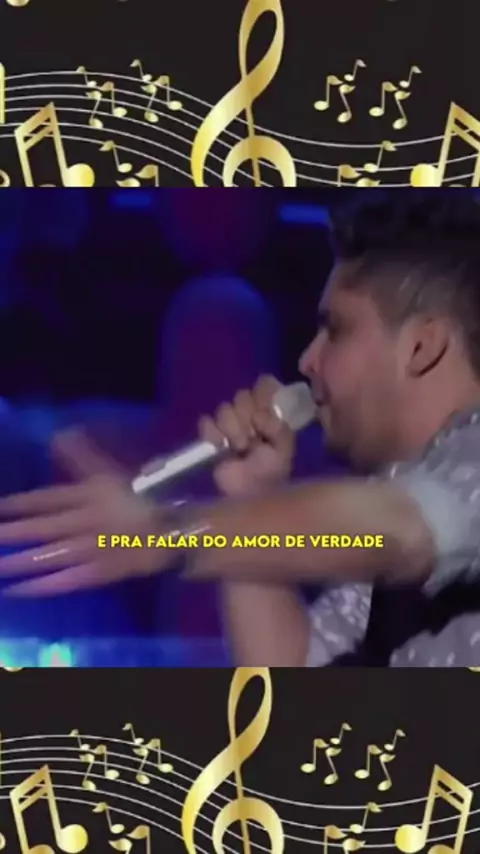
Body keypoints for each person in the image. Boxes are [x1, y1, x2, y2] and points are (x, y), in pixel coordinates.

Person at [1, 191, 480, 667]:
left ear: (422, 347)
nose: (308, 360)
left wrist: (167, 534)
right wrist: (251, 495)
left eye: (335, 329)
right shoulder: (371, 536)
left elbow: (399, 531)